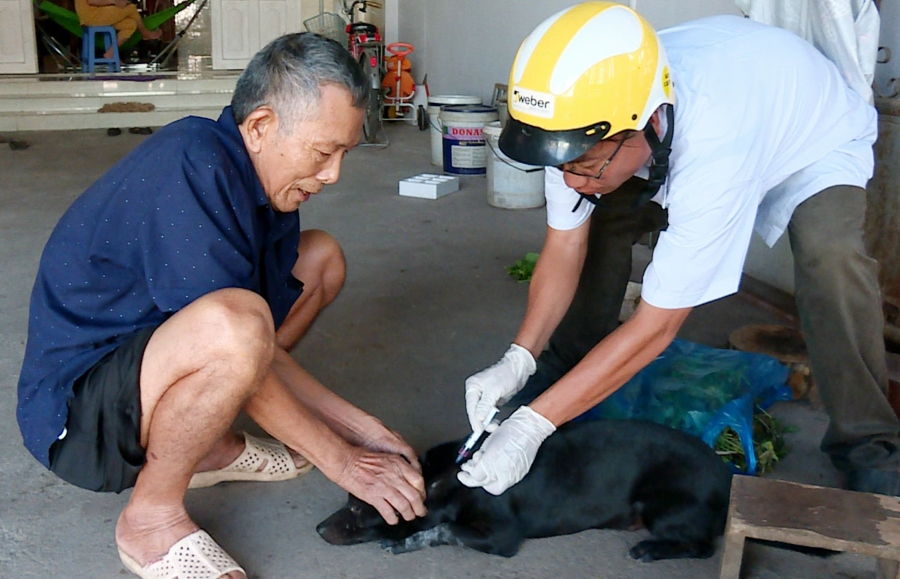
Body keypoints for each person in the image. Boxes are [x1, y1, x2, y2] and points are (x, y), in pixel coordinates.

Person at [16, 33, 426, 579]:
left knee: (319, 259)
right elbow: (240, 337)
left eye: (343, 154)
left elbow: (261, 354)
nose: (333, 175)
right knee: (237, 323)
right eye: (323, 152)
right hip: (78, 420)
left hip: (150, 366)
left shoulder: (261, 177)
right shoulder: (193, 165)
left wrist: (364, 428)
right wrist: (343, 459)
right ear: (259, 127)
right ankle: (150, 521)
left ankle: (203, 446)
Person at [459, 2, 900, 498]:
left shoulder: (717, 146)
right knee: (600, 218)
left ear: (646, 124)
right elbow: (564, 242)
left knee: (832, 261)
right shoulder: (579, 115)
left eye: (583, 162)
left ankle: (870, 444)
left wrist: (530, 428)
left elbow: (658, 325)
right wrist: (520, 355)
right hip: (720, 99)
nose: (568, 176)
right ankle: (561, 371)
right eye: (562, 160)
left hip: (815, 136)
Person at [75, 0, 163, 59]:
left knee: (130, 24)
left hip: (99, 13)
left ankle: (110, 53)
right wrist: (114, 1)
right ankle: (145, 33)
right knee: (131, 8)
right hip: (92, 16)